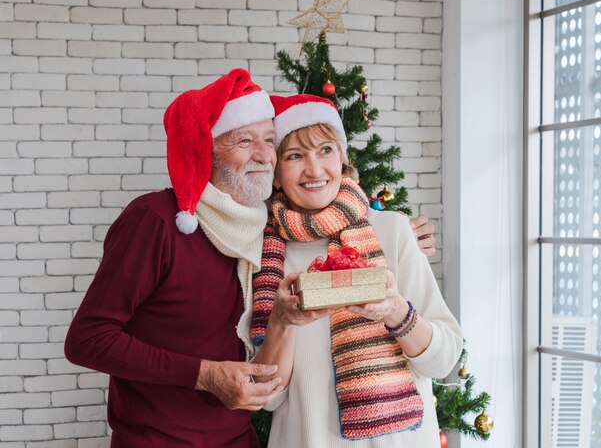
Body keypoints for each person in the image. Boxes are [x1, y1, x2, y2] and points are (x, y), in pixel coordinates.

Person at [64, 68, 285, 448]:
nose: (264, 155)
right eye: (244, 140)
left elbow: (326, 220)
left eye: (269, 139)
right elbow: (87, 339)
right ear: (207, 149)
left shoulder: (265, 227)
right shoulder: (156, 220)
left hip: (238, 439)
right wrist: (203, 375)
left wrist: (396, 230)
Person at [249, 94, 463, 447]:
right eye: (295, 155)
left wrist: (396, 311)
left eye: (326, 150)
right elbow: (268, 398)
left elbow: (443, 360)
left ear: (343, 160)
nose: (315, 170)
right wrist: (280, 322)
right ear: (275, 174)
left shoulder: (393, 231)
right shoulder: (267, 257)